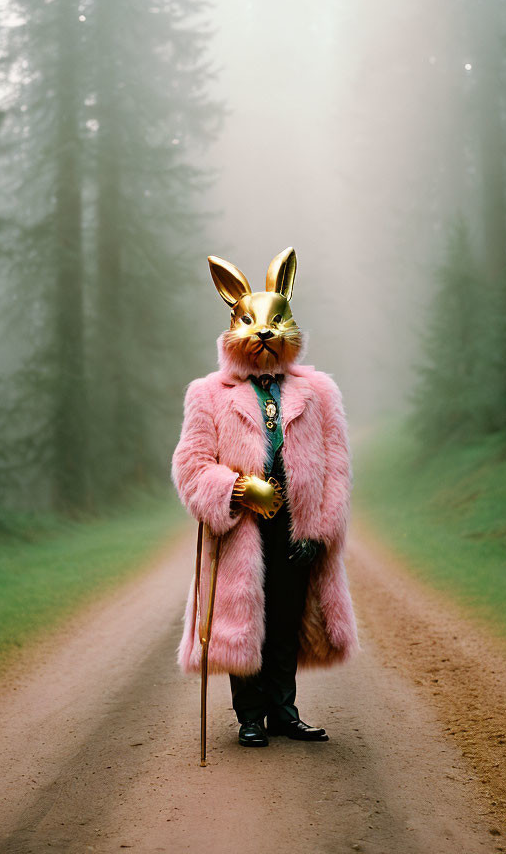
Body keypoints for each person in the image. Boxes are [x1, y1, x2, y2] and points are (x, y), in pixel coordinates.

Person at [171, 247, 359, 747]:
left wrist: (321, 530)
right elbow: (191, 465)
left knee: (286, 614)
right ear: (234, 327)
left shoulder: (318, 393)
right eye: (252, 323)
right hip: (242, 526)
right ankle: (249, 715)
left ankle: (284, 709)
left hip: (298, 524)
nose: (265, 332)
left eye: (276, 321)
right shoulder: (208, 394)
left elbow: (337, 464)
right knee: (244, 614)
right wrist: (234, 489)